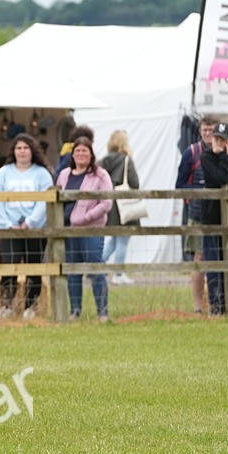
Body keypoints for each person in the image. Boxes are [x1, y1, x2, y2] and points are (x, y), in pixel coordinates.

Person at [0, 133, 54, 320]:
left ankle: (30, 307)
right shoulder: (4, 173)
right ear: (13, 151)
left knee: (33, 268)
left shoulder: (42, 174)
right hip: (9, 229)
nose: (22, 152)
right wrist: (6, 225)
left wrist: (30, 222)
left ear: (32, 151)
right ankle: (7, 305)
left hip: (34, 229)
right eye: (18, 148)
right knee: (10, 266)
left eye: (26, 148)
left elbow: (44, 202)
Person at [55, 137, 114, 321]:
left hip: (91, 230)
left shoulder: (100, 175)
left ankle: (102, 312)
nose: (81, 154)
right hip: (68, 230)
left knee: (95, 269)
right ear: (72, 154)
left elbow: (106, 203)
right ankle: (75, 311)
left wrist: (86, 218)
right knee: (73, 271)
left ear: (91, 154)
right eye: (77, 151)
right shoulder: (64, 174)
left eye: (84, 151)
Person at [176, 115, 216, 313]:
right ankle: (198, 306)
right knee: (199, 259)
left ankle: (219, 302)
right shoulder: (191, 153)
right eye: (205, 130)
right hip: (198, 214)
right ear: (200, 131)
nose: (208, 134)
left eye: (211, 130)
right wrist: (194, 195)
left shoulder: (226, 150)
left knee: (221, 257)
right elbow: (180, 184)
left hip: (222, 214)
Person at [100, 130, 141, 285]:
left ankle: (97, 267)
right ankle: (118, 274)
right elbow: (134, 182)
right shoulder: (126, 160)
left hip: (110, 205)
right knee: (123, 240)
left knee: (114, 240)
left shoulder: (103, 161)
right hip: (124, 204)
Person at [199, 122, 228, 316]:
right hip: (212, 217)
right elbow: (222, 177)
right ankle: (216, 305)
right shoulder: (206, 157)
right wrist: (224, 157)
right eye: (216, 138)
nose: (218, 142)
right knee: (214, 261)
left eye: (222, 139)